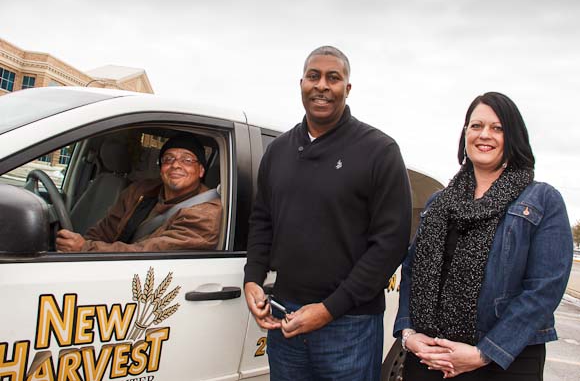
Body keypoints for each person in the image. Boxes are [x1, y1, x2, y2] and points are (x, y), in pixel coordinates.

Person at [244, 46, 412, 380]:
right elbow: (262, 220)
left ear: (347, 89)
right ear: (301, 83)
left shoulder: (379, 151)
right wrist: (253, 277)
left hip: (350, 326)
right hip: (285, 319)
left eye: (333, 78)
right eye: (314, 76)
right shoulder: (278, 151)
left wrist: (329, 309)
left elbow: (390, 244)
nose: (322, 85)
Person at [394, 92, 573, 380]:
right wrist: (409, 333)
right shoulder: (439, 203)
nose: (484, 135)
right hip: (430, 358)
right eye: (476, 126)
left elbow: (545, 288)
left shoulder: (543, 199)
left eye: (497, 128)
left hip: (505, 362)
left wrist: (484, 353)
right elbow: (412, 270)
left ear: (513, 136)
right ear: (465, 134)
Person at [56, 132, 222, 252]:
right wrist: (77, 248)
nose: (176, 165)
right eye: (168, 159)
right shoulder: (140, 190)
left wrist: (85, 248)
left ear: (201, 170)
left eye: (187, 160)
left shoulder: (206, 213)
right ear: (161, 168)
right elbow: (106, 229)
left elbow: (147, 253)